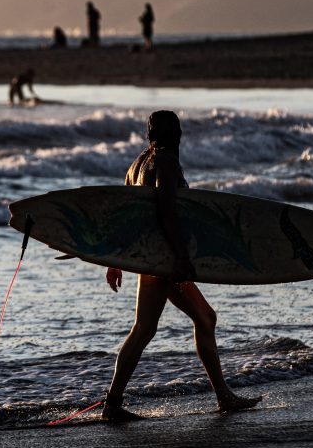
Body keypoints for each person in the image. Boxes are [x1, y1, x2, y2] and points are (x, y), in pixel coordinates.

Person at [102, 111, 261, 421]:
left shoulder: (136, 165)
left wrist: (114, 260)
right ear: (177, 135)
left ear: (149, 134)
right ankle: (114, 403)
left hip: (148, 258)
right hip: (165, 260)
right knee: (173, 323)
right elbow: (166, 211)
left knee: (179, 322)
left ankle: (114, 402)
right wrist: (181, 257)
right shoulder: (166, 163)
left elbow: (126, 216)